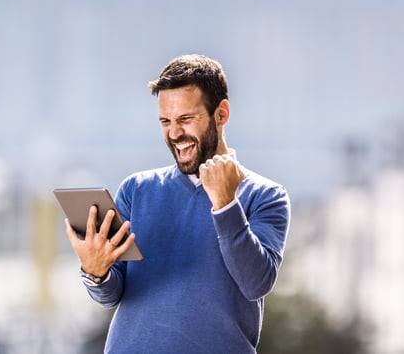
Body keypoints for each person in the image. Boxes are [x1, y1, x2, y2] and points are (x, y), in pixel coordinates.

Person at [64, 54, 291, 354]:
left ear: (221, 114)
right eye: (165, 121)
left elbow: (256, 283)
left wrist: (225, 204)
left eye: (185, 119)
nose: (174, 134)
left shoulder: (266, 196)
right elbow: (111, 294)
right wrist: (96, 272)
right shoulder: (136, 189)